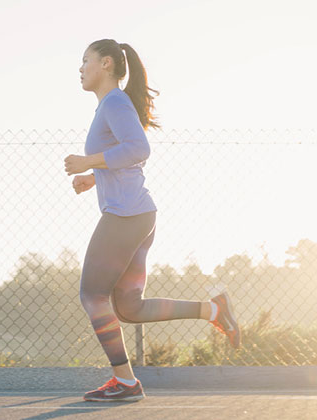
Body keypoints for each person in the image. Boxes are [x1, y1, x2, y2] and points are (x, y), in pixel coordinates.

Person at [64, 39, 241, 403]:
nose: (80, 68)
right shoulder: (110, 105)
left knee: (93, 294)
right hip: (138, 215)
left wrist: (88, 161)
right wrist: (94, 176)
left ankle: (126, 382)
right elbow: (127, 156)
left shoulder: (113, 101)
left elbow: (139, 149)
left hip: (126, 216)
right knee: (128, 307)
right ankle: (214, 310)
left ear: (107, 64)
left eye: (86, 61)